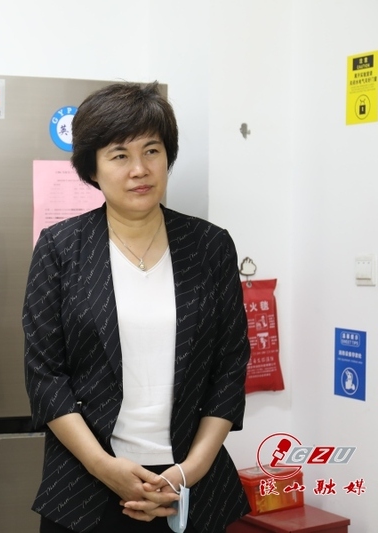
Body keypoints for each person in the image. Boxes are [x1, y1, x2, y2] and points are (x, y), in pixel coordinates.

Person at [22, 81, 250, 533]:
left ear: (168, 157)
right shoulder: (61, 248)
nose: (140, 170)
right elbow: (45, 375)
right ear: (92, 167)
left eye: (152, 151)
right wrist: (103, 466)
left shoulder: (209, 246)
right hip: (84, 489)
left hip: (192, 488)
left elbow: (229, 369)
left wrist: (187, 472)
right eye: (119, 155)